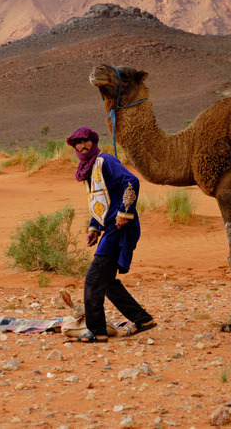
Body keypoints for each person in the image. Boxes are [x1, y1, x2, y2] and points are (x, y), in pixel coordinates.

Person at [65, 126, 156, 343]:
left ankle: (97, 331)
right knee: (106, 282)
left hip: (120, 227)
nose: (82, 146)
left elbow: (131, 181)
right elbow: (100, 201)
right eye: (77, 143)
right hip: (110, 227)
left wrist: (124, 212)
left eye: (85, 141)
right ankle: (142, 320)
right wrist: (94, 228)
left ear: (93, 142)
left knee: (93, 280)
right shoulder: (88, 168)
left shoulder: (105, 160)